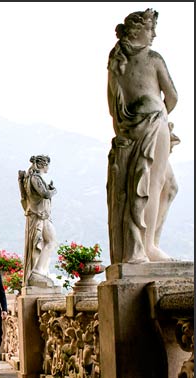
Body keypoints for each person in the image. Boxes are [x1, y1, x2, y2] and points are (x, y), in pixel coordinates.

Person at [106, 8, 179, 265]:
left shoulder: (116, 61)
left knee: (164, 186)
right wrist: (160, 117)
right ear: (138, 30)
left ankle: (150, 245)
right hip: (153, 123)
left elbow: (113, 104)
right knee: (155, 184)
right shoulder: (153, 58)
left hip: (129, 127)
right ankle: (148, 247)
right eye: (151, 29)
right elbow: (172, 96)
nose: (154, 34)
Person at [18, 155, 57, 287]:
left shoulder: (32, 177)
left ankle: (41, 271)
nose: (48, 167)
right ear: (41, 165)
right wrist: (53, 190)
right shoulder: (35, 178)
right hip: (39, 216)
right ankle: (38, 271)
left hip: (41, 215)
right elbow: (45, 194)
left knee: (51, 241)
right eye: (47, 164)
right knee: (50, 241)